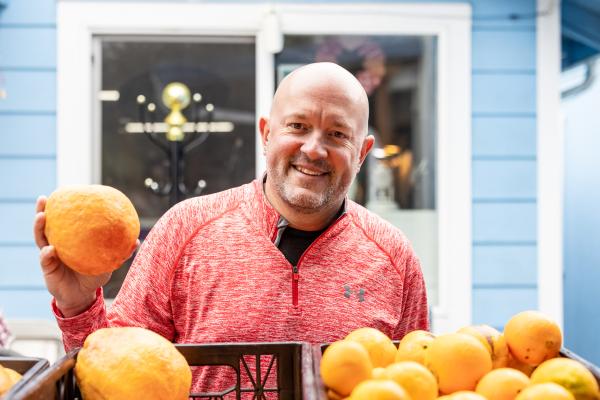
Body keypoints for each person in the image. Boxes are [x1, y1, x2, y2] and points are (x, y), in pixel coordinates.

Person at [34, 62, 428, 391]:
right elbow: (112, 375)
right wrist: (78, 304)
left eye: (337, 134)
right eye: (297, 126)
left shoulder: (394, 256)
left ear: (361, 152)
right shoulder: (183, 229)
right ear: (266, 133)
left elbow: (420, 383)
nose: (313, 148)